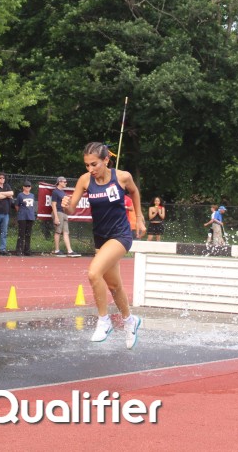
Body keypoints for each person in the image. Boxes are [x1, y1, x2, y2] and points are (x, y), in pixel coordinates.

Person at [61, 142, 145, 349]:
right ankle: (129, 320)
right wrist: (66, 206)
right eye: (87, 165)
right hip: (100, 237)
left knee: (93, 273)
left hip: (121, 235)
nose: (90, 169)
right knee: (114, 286)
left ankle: (104, 320)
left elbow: (134, 192)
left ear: (106, 160)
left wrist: (139, 218)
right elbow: (71, 209)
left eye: (94, 164)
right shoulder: (85, 180)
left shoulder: (122, 177)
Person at [51, 176, 78, 257]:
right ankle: (57, 250)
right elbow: (53, 204)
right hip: (58, 213)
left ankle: (70, 251)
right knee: (58, 231)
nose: (66, 183)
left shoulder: (63, 192)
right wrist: (56, 217)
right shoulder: (55, 192)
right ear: (59, 182)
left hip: (64, 213)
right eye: (64, 182)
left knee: (66, 232)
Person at [13, 181, 36, 256]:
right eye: (26, 186)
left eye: (29, 186)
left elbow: (32, 206)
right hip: (22, 217)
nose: (27, 187)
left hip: (30, 216)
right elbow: (17, 205)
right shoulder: (20, 195)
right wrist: (21, 212)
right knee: (21, 234)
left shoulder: (32, 195)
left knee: (28, 234)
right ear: (23, 187)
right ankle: (19, 250)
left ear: (30, 187)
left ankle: (27, 250)